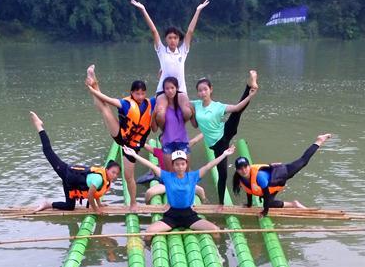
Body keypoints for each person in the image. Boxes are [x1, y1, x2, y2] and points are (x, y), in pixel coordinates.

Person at [121, 144, 236, 238]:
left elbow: (209, 166)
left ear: (186, 164)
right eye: (177, 164)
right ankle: (148, 249)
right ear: (173, 165)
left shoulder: (193, 176)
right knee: (148, 233)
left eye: (182, 164)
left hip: (189, 215)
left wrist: (224, 154)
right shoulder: (167, 176)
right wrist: (134, 155)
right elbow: (150, 164)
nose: (180, 167)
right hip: (172, 215)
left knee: (215, 231)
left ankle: (217, 258)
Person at [130, 0, 207, 129]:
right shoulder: (161, 51)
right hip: (163, 90)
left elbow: (190, 32)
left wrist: (198, 10)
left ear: (179, 40)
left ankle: (177, 129)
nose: (172, 40)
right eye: (170, 37)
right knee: (160, 114)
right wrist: (143, 9)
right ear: (165, 39)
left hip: (180, 90)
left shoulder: (183, 51)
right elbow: (154, 31)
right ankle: (162, 131)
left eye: (175, 38)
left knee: (187, 112)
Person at [84, 65, 155, 205]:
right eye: (137, 94)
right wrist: (91, 89)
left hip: (133, 146)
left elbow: (164, 92)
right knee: (104, 108)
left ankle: (133, 203)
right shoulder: (125, 103)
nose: (140, 97)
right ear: (131, 93)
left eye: (142, 94)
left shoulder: (151, 102)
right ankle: (92, 76)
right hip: (121, 136)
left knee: (129, 177)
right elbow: (105, 99)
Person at [27, 111, 121, 214]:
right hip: (66, 171)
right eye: (113, 172)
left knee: (69, 206)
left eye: (117, 174)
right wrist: (96, 210)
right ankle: (39, 126)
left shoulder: (105, 180)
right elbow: (90, 196)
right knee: (48, 151)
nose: (115, 175)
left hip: (70, 182)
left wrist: (100, 204)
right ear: (107, 170)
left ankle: (47, 204)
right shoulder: (99, 178)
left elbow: (95, 193)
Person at [194, 70, 259, 203]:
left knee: (237, 113)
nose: (202, 93)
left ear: (210, 90)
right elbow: (180, 101)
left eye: (205, 89)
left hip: (224, 137)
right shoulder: (195, 104)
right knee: (221, 174)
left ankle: (250, 84)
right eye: (200, 90)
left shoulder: (218, 106)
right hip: (215, 144)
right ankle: (222, 202)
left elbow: (236, 107)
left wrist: (250, 96)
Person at [232, 134, 334, 217]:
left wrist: (264, 212)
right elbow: (249, 191)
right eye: (240, 168)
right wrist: (249, 205)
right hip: (272, 184)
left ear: (249, 167)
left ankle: (320, 140)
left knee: (303, 161)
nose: (243, 170)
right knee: (270, 203)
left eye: (245, 167)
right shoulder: (240, 178)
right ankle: (294, 204)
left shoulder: (259, 176)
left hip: (282, 173)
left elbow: (266, 195)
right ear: (237, 170)